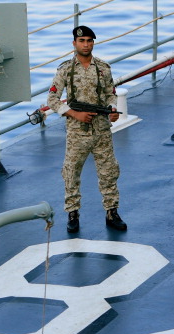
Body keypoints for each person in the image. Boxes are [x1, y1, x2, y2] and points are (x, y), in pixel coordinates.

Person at [47, 25, 127, 233]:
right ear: (74, 43)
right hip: (77, 131)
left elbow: (110, 94)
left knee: (109, 171)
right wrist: (75, 114)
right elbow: (52, 99)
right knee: (71, 172)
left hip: (101, 129)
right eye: (82, 41)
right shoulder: (65, 69)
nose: (86, 44)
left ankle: (112, 211)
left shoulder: (103, 68)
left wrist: (113, 109)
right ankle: (73, 213)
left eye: (89, 41)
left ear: (93, 43)